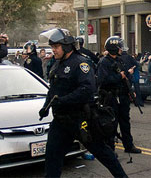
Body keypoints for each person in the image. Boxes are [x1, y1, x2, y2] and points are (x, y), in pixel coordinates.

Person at [37, 28, 127, 177]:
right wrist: (45, 106)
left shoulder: (81, 63)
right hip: (61, 121)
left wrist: (64, 101)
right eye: (52, 47)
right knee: (52, 156)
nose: (53, 50)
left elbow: (87, 90)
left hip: (82, 119)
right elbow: (53, 89)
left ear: (66, 46)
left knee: (103, 152)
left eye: (56, 47)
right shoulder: (56, 64)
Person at [97, 36, 142, 154]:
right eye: (119, 48)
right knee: (111, 124)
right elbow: (103, 80)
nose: (121, 50)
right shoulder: (104, 62)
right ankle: (110, 149)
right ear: (113, 49)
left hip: (122, 96)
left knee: (125, 122)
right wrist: (119, 76)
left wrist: (130, 90)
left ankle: (129, 145)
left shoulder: (120, 60)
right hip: (111, 98)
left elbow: (126, 76)